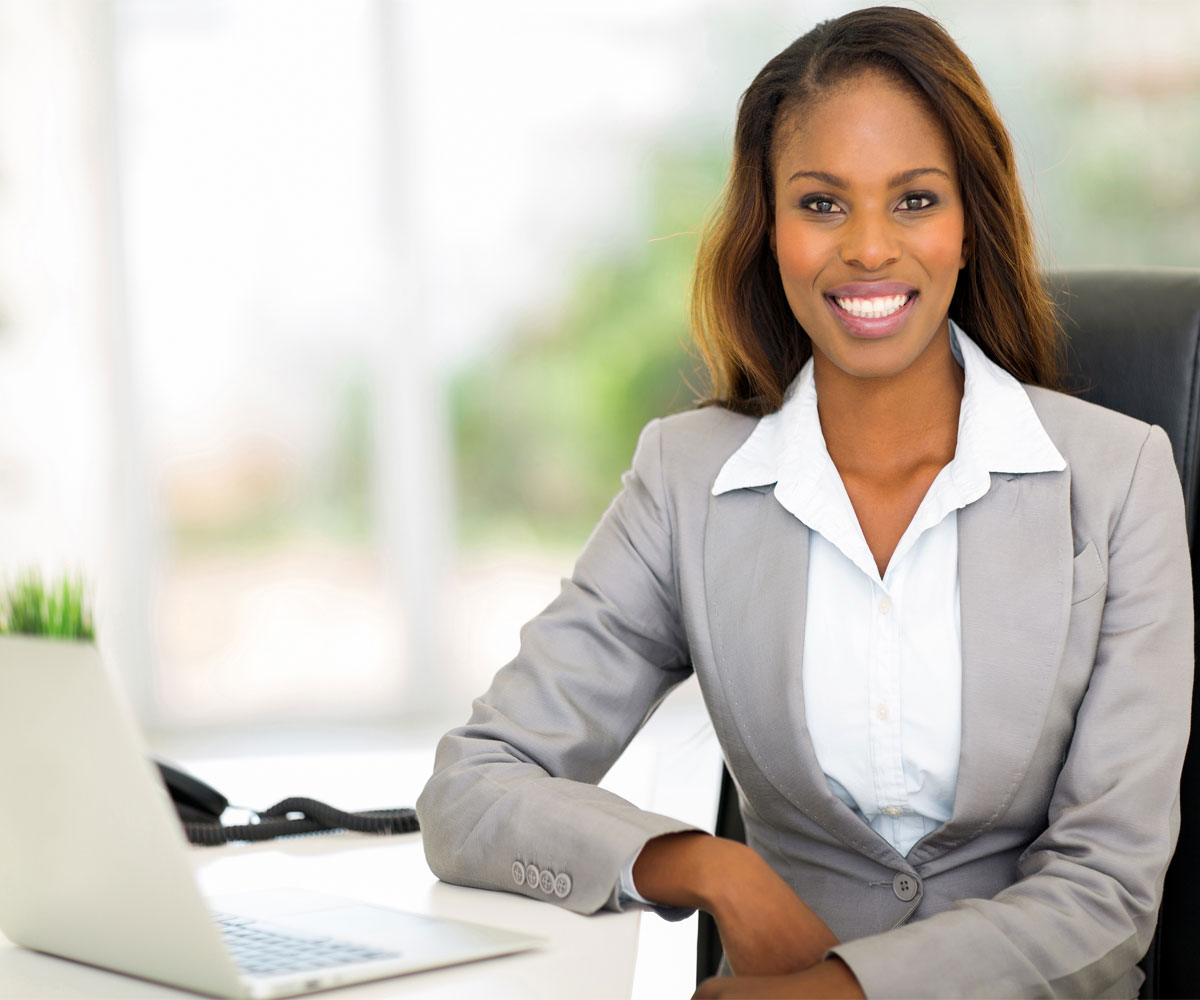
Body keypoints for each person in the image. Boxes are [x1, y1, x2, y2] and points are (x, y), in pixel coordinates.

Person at [416, 7, 1192, 998]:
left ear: (969, 225)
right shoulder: (687, 481)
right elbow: (471, 788)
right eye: (822, 204)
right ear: (769, 228)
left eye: (915, 200)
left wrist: (837, 989)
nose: (868, 249)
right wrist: (699, 861)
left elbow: (1110, 889)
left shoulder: (1119, 478)